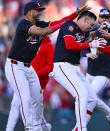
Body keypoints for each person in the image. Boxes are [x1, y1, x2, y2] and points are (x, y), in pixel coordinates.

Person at [4, 1, 90, 130]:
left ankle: (40, 126)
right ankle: (29, 128)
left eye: (41, 10)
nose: (40, 13)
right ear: (29, 12)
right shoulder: (23, 23)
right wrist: (63, 24)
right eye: (37, 10)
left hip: (29, 68)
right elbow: (41, 32)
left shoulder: (40, 25)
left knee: (38, 100)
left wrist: (75, 14)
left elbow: (59, 22)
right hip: (15, 66)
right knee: (24, 99)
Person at [52, 11, 107, 131]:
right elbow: (70, 45)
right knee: (81, 94)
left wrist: (100, 30)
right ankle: (82, 128)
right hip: (62, 66)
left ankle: (78, 128)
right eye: (91, 24)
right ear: (85, 19)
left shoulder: (85, 32)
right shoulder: (69, 25)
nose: (90, 27)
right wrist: (91, 44)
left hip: (74, 67)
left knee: (92, 97)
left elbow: (89, 37)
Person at [81, 9, 110, 131]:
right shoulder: (92, 33)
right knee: (89, 97)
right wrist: (87, 54)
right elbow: (83, 49)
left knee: (89, 97)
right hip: (90, 71)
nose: (104, 19)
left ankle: (81, 126)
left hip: (105, 72)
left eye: (107, 17)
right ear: (98, 19)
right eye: (102, 17)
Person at [6, 36, 55, 131]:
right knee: (15, 104)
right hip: (23, 78)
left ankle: (44, 127)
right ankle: (9, 129)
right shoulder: (30, 41)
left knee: (34, 109)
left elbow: (50, 66)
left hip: (39, 82)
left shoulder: (49, 46)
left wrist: (35, 74)